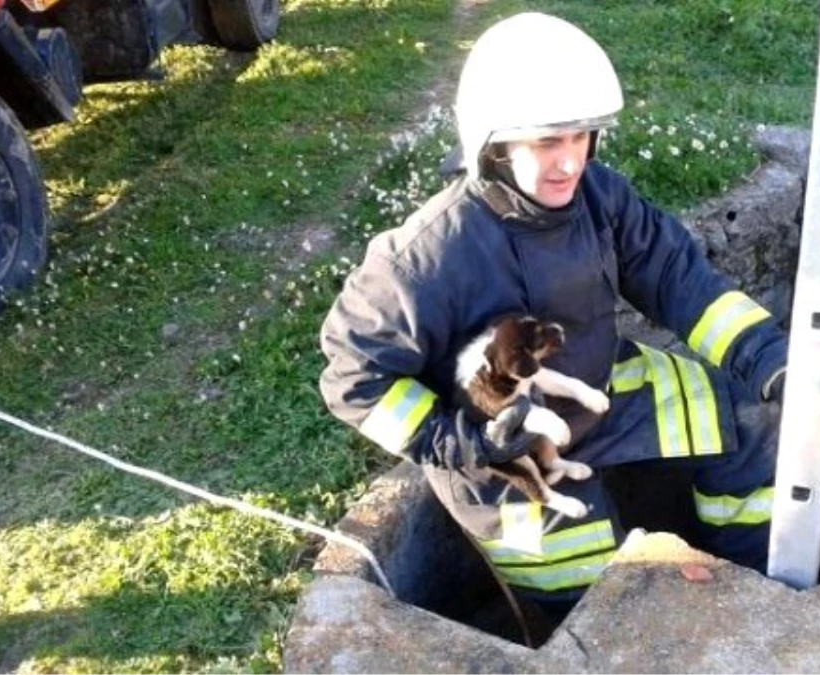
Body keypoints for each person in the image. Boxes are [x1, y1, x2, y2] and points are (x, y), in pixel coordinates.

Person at [319, 12, 787, 614]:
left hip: (602, 392)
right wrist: (461, 440)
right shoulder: (426, 258)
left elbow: (677, 277)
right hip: (504, 457)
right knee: (589, 602)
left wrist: (768, 359)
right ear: (493, 144)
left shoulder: (600, 194)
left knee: (748, 419)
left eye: (579, 136)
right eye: (546, 142)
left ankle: (751, 593)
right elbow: (351, 377)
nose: (569, 162)